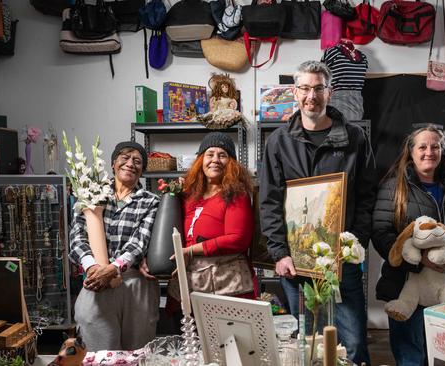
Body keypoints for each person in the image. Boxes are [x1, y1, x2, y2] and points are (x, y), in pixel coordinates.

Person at [259, 60, 376, 365]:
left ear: (330, 92)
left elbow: (367, 196)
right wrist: (279, 252)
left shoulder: (355, 138)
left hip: (342, 260)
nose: (312, 95)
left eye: (319, 88)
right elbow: (269, 201)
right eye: (305, 88)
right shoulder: (278, 142)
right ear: (295, 92)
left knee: (351, 341)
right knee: (307, 344)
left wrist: (354, 244)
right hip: (295, 262)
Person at [371, 126, 445, 366]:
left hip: (444, 287)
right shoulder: (393, 186)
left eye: (435, 146)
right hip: (405, 284)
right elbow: (380, 233)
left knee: (443, 355)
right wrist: (417, 260)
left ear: (443, 150)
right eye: (423, 147)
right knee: (411, 356)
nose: (429, 152)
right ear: (411, 151)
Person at [141, 132, 257, 315]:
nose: (215, 160)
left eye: (223, 155)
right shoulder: (189, 195)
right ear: (200, 160)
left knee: (222, 341)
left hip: (225, 283)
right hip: (187, 282)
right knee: (188, 339)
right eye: (210, 154)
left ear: (232, 163)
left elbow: (238, 239)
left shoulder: (237, 194)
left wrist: (191, 250)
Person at [69, 141, 160, 351]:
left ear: (142, 170)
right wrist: (93, 268)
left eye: (137, 161)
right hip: (96, 281)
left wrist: (114, 268)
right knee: (97, 352)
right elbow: (76, 237)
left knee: (137, 353)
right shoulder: (90, 194)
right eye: (124, 158)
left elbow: (140, 242)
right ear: (113, 164)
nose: (130, 164)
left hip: (134, 284)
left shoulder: (151, 201)